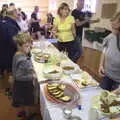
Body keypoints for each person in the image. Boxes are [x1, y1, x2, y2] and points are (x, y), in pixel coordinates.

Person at [12, 32, 36, 120]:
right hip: (24, 84)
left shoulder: (17, 54)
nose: (29, 48)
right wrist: (32, 76)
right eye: (26, 46)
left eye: (30, 46)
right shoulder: (23, 59)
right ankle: (28, 115)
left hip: (18, 85)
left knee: (21, 100)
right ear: (19, 46)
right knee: (27, 101)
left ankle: (23, 112)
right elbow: (18, 76)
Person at [99, 12, 120, 91]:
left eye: (116, 29)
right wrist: (101, 66)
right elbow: (104, 51)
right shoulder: (110, 37)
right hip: (107, 76)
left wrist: (117, 92)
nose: (113, 31)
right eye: (112, 27)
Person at [0, 8, 20, 90]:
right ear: (13, 14)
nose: (18, 15)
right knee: (11, 73)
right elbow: (15, 42)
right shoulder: (11, 26)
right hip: (9, 54)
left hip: (2, 52)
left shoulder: (2, 22)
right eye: (17, 13)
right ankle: (11, 91)